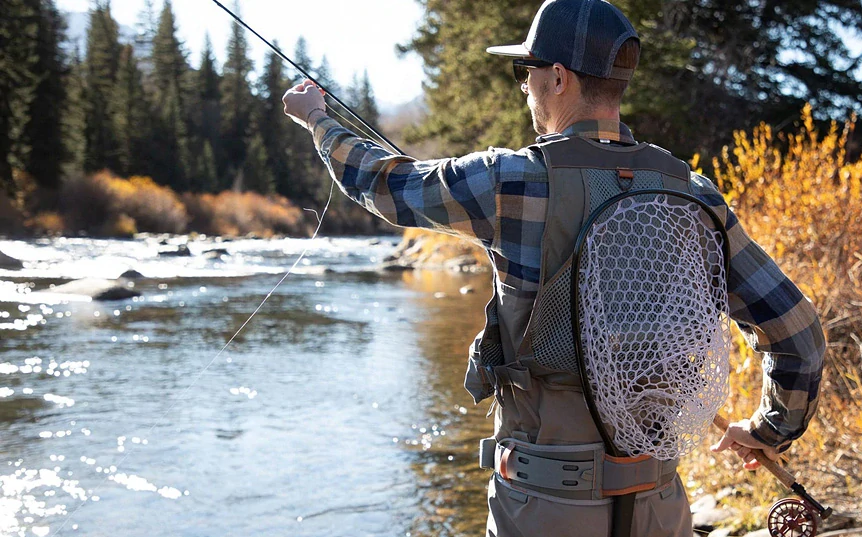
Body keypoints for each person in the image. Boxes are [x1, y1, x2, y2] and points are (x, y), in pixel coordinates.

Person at [282, 1, 826, 535]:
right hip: (661, 507)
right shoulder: (694, 193)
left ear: (559, 78)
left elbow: (384, 185)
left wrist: (318, 120)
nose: (524, 84)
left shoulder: (511, 180)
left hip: (545, 509)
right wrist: (769, 429)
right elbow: (797, 334)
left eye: (528, 70)